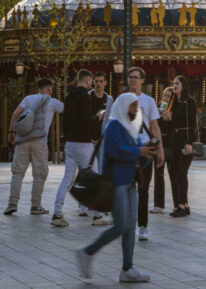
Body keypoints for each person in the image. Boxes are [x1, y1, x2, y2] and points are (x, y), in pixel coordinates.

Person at [75, 93, 157, 284]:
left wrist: (148, 153)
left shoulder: (131, 128)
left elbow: (138, 159)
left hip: (130, 182)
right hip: (117, 183)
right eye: (133, 106)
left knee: (130, 227)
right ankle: (87, 252)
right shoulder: (113, 126)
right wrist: (139, 151)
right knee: (121, 225)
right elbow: (116, 151)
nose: (136, 110)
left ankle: (127, 269)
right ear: (123, 106)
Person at [5, 77, 64, 216]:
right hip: (40, 142)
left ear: (38, 88)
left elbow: (15, 114)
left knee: (18, 173)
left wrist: (11, 132)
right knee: (39, 174)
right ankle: (35, 206)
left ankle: (12, 204)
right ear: (49, 89)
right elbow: (66, 110)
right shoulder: (52, 101)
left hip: (22, 140)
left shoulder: (28, 98)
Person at [124, 67, 164, 242]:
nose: (132, 80)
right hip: (128, 149)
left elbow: (154, 126)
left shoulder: (148, 101)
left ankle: (143, 225)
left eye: (135, 77)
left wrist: (160, 149)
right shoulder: (122, 100)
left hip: (146, 149)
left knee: (143, 189)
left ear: (142, 80)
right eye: (130, 77)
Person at [52, 69, 96, 226]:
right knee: (93, 175)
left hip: (70, 142)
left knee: (67, 178)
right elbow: (85, 119)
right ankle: (98, 215)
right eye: (91, 82)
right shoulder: (85, 96)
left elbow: (66, 120)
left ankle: (57, 213)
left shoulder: (68, 96)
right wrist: (96, 119)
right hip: (83, 143)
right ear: (88, 81)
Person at [166, 75, 198, 217]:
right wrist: (166, 117)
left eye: (177, 83)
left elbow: (193, 124)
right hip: (174, 139)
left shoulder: (189, 102)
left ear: (183, 85)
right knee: (175, 173)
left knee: (181, 173)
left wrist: (190, 143)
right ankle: (183, 205)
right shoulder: (173, 102)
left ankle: (181, 205)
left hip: (185, 139)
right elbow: (170, 124)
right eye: (173, 83)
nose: (174, 86)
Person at [90, 72, 114, 226]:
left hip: (102, 140)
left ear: (105, 83)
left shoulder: (109, 99)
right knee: (89, 172)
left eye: (101, 81)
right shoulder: (88, 96)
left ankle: (98, 209)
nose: (98, 84)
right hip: (88, 140)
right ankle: (84, 205)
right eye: (96, 81)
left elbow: (111, 119)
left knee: (102, 173)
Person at [151, 88, 174, 217]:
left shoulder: (175, 110)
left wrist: (170, 116)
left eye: (169, 96)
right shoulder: (156, 108)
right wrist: (158, 115)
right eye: (164, 95)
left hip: (171, 144)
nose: (166, 98)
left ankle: (179, 203)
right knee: (158, 174)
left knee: (173, 174)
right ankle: (158, 204)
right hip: (159, 144)